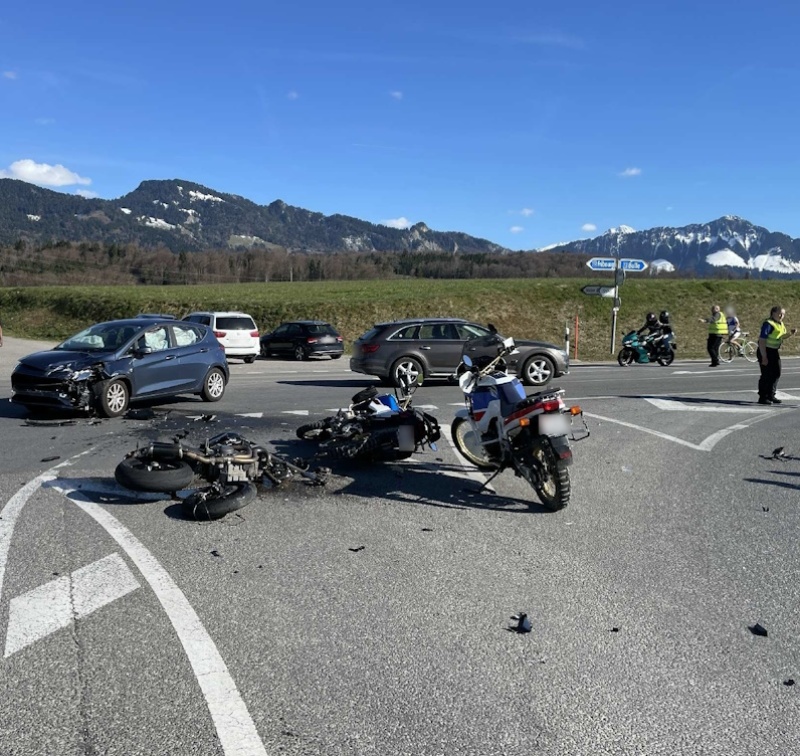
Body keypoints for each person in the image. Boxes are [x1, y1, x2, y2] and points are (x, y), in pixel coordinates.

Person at [757, 305, 796, 404]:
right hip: (765, 350)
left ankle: (771, 394)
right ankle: (763, 397)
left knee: (776, 373)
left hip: (774, 351)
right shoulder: (768, 324)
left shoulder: (780, 324)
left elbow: (780, 336)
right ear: (773, 313)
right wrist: (764, 356)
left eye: (783, 314)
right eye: (780, 313)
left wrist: (790, 334)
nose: (782, 316)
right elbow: (762, 340)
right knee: (766, 374)